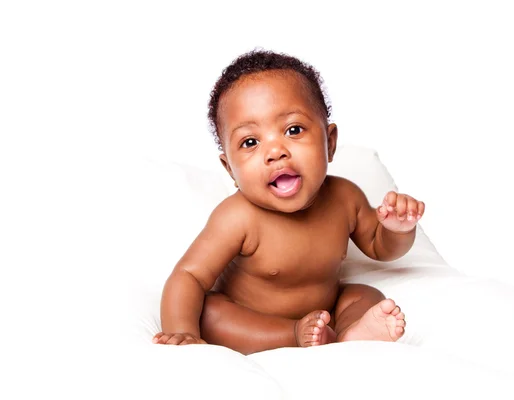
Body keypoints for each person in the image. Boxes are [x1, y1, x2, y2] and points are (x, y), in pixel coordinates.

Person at [152, 50, 425, 355]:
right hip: (251, 321)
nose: (275, 152)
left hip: (325, 312)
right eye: (250, 142)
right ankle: (294, 336)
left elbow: (380, 247)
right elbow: (189, 275)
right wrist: (181, 330)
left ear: (329, 142)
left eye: (293, 130)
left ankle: (348, 335)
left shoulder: (344, 198)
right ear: (230, 168)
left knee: (364, 294)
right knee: (212, 313)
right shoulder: (237, 217)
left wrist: (396, 229)